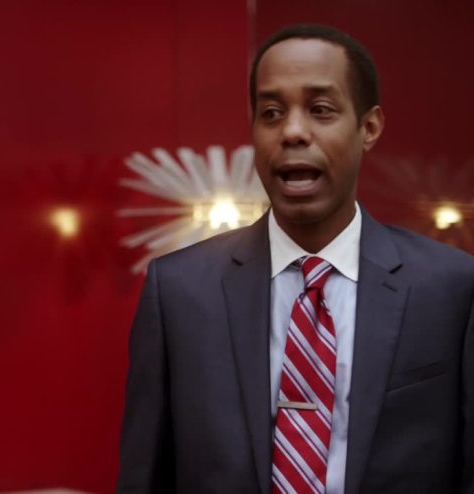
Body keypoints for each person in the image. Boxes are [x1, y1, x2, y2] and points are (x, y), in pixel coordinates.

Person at [117, 24, 474, 493]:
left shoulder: (451, 288)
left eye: (321, 110)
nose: (292, 132)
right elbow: (146, 475)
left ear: (368, 128)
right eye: (271, 113)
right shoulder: (179, 292)